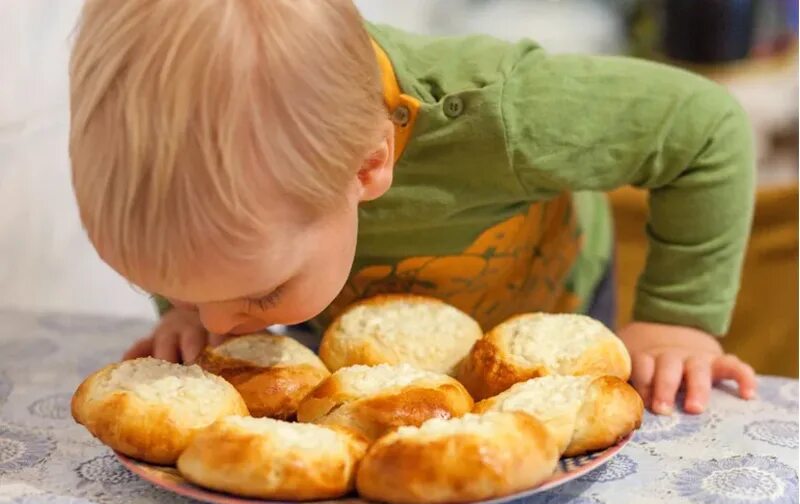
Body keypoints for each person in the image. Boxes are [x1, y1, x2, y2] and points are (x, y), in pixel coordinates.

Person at [68, 0, 757, 415]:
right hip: (342, 336)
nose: (223, 322)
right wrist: (186, 311)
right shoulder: (227, 205)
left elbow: (704, 127)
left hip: (543, 308)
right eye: (164, 280)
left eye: (259, 291)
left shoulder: (508, 112)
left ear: (369, 165)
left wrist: (676, 323)